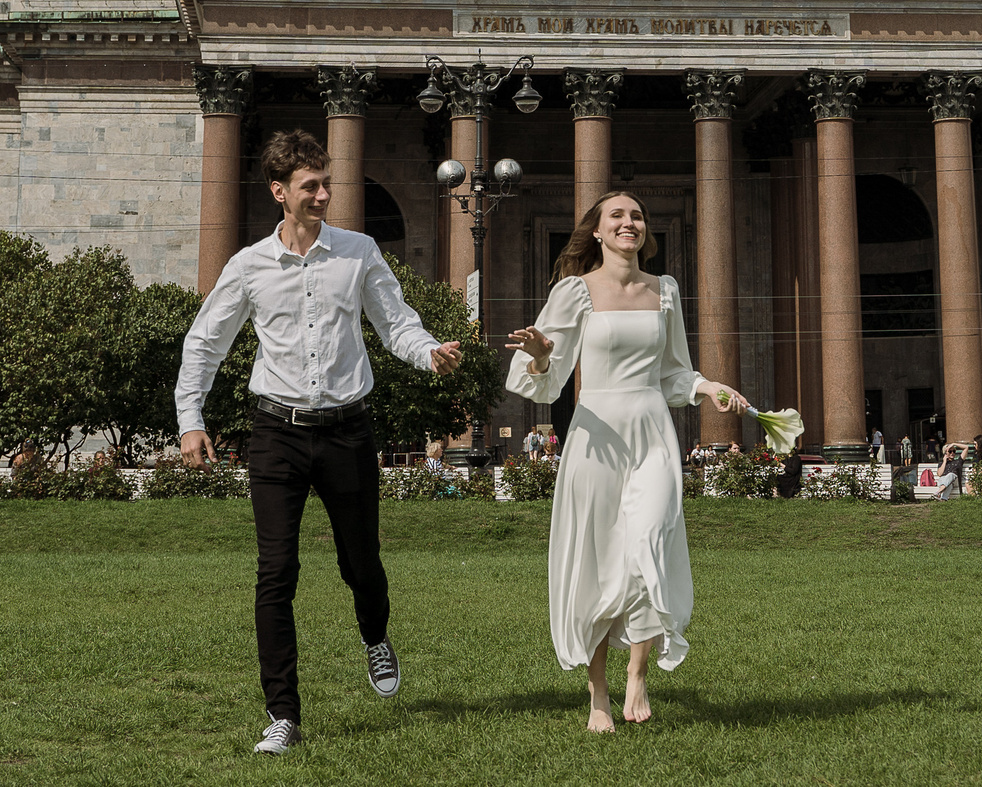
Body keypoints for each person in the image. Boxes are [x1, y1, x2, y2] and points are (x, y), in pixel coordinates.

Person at [176, 129, 464, 758]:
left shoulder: (357, 252)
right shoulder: (248, 265)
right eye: (311, 186)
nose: (325, 195)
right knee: (275, 572)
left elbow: (397, 325)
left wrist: (429, 352)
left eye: (327, 184)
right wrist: (190, 419)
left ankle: (376, 635)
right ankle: (282, 714)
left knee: (361, 562)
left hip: (347, 431)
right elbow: (205, 343)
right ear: (280, 192)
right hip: (275, 432)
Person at [504, 192, 742, 733]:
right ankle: (599, 694)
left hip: (653, 430)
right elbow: (543, 376)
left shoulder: (665, 292)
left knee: (651, 537)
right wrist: (542, 351)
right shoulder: (574, 292)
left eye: (636, 216)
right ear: (597, 232)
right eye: (617, 216)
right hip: (595, 434)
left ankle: (638, 673)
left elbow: (674, 372)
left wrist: (707, 387)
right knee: (599, 558)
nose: (628, 223)